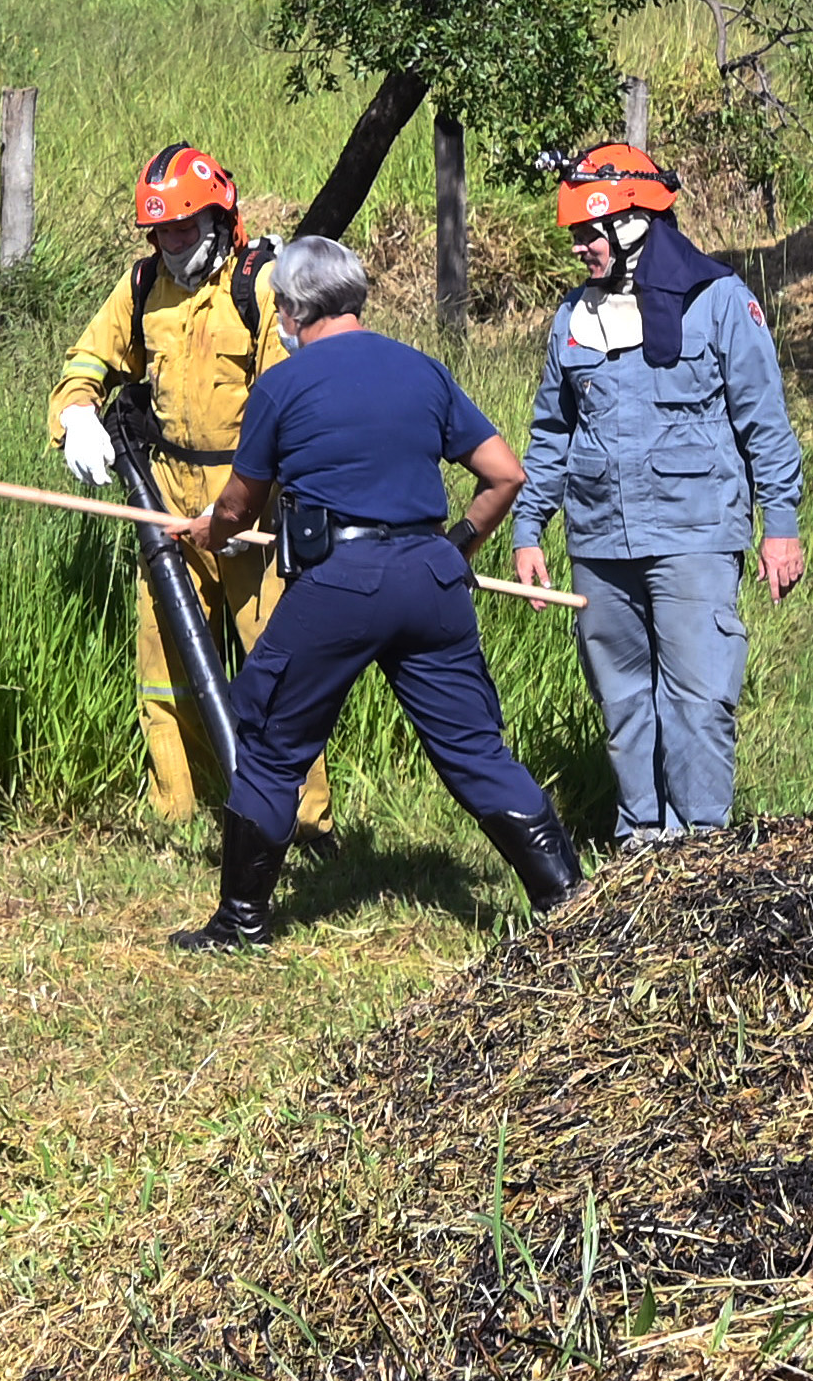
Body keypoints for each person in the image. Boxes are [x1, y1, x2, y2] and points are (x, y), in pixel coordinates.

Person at [166, 237, 582, 950]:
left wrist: (212, 531)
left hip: (339, 582)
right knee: (475, 748)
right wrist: (455, 549)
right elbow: (505, 473)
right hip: (429, 577)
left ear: (293, 308)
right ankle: (569, 902)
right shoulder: (421, 369)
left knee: (270, 742)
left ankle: (240, 922)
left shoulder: (283, 385)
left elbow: (239, 504)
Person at [507, 141, 804, 840]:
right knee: (622, 700)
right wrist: (529, 527)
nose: (579, 246)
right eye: (575, 232)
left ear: (635, 221)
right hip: (600, 541)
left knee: (698, 698)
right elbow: (552, 431)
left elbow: (766, 422)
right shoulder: (574, 318)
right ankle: (641, 842)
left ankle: (699, 851)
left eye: (589, 230)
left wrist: (780, 525)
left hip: (695, 535)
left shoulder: (720, 301)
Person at [54, 144, 321, 833]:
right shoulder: (144, 286)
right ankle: (182, 812)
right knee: (163, 665)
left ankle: (306, 823)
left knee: (279, 669)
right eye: (160, 232)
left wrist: (240, 501)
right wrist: (77, 413)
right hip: (166, 498)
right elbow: (88, 357)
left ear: (218, 217)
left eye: (183, 229)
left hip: (252, 502)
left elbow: (291, 403)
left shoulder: (261, 286)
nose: (171, 245)